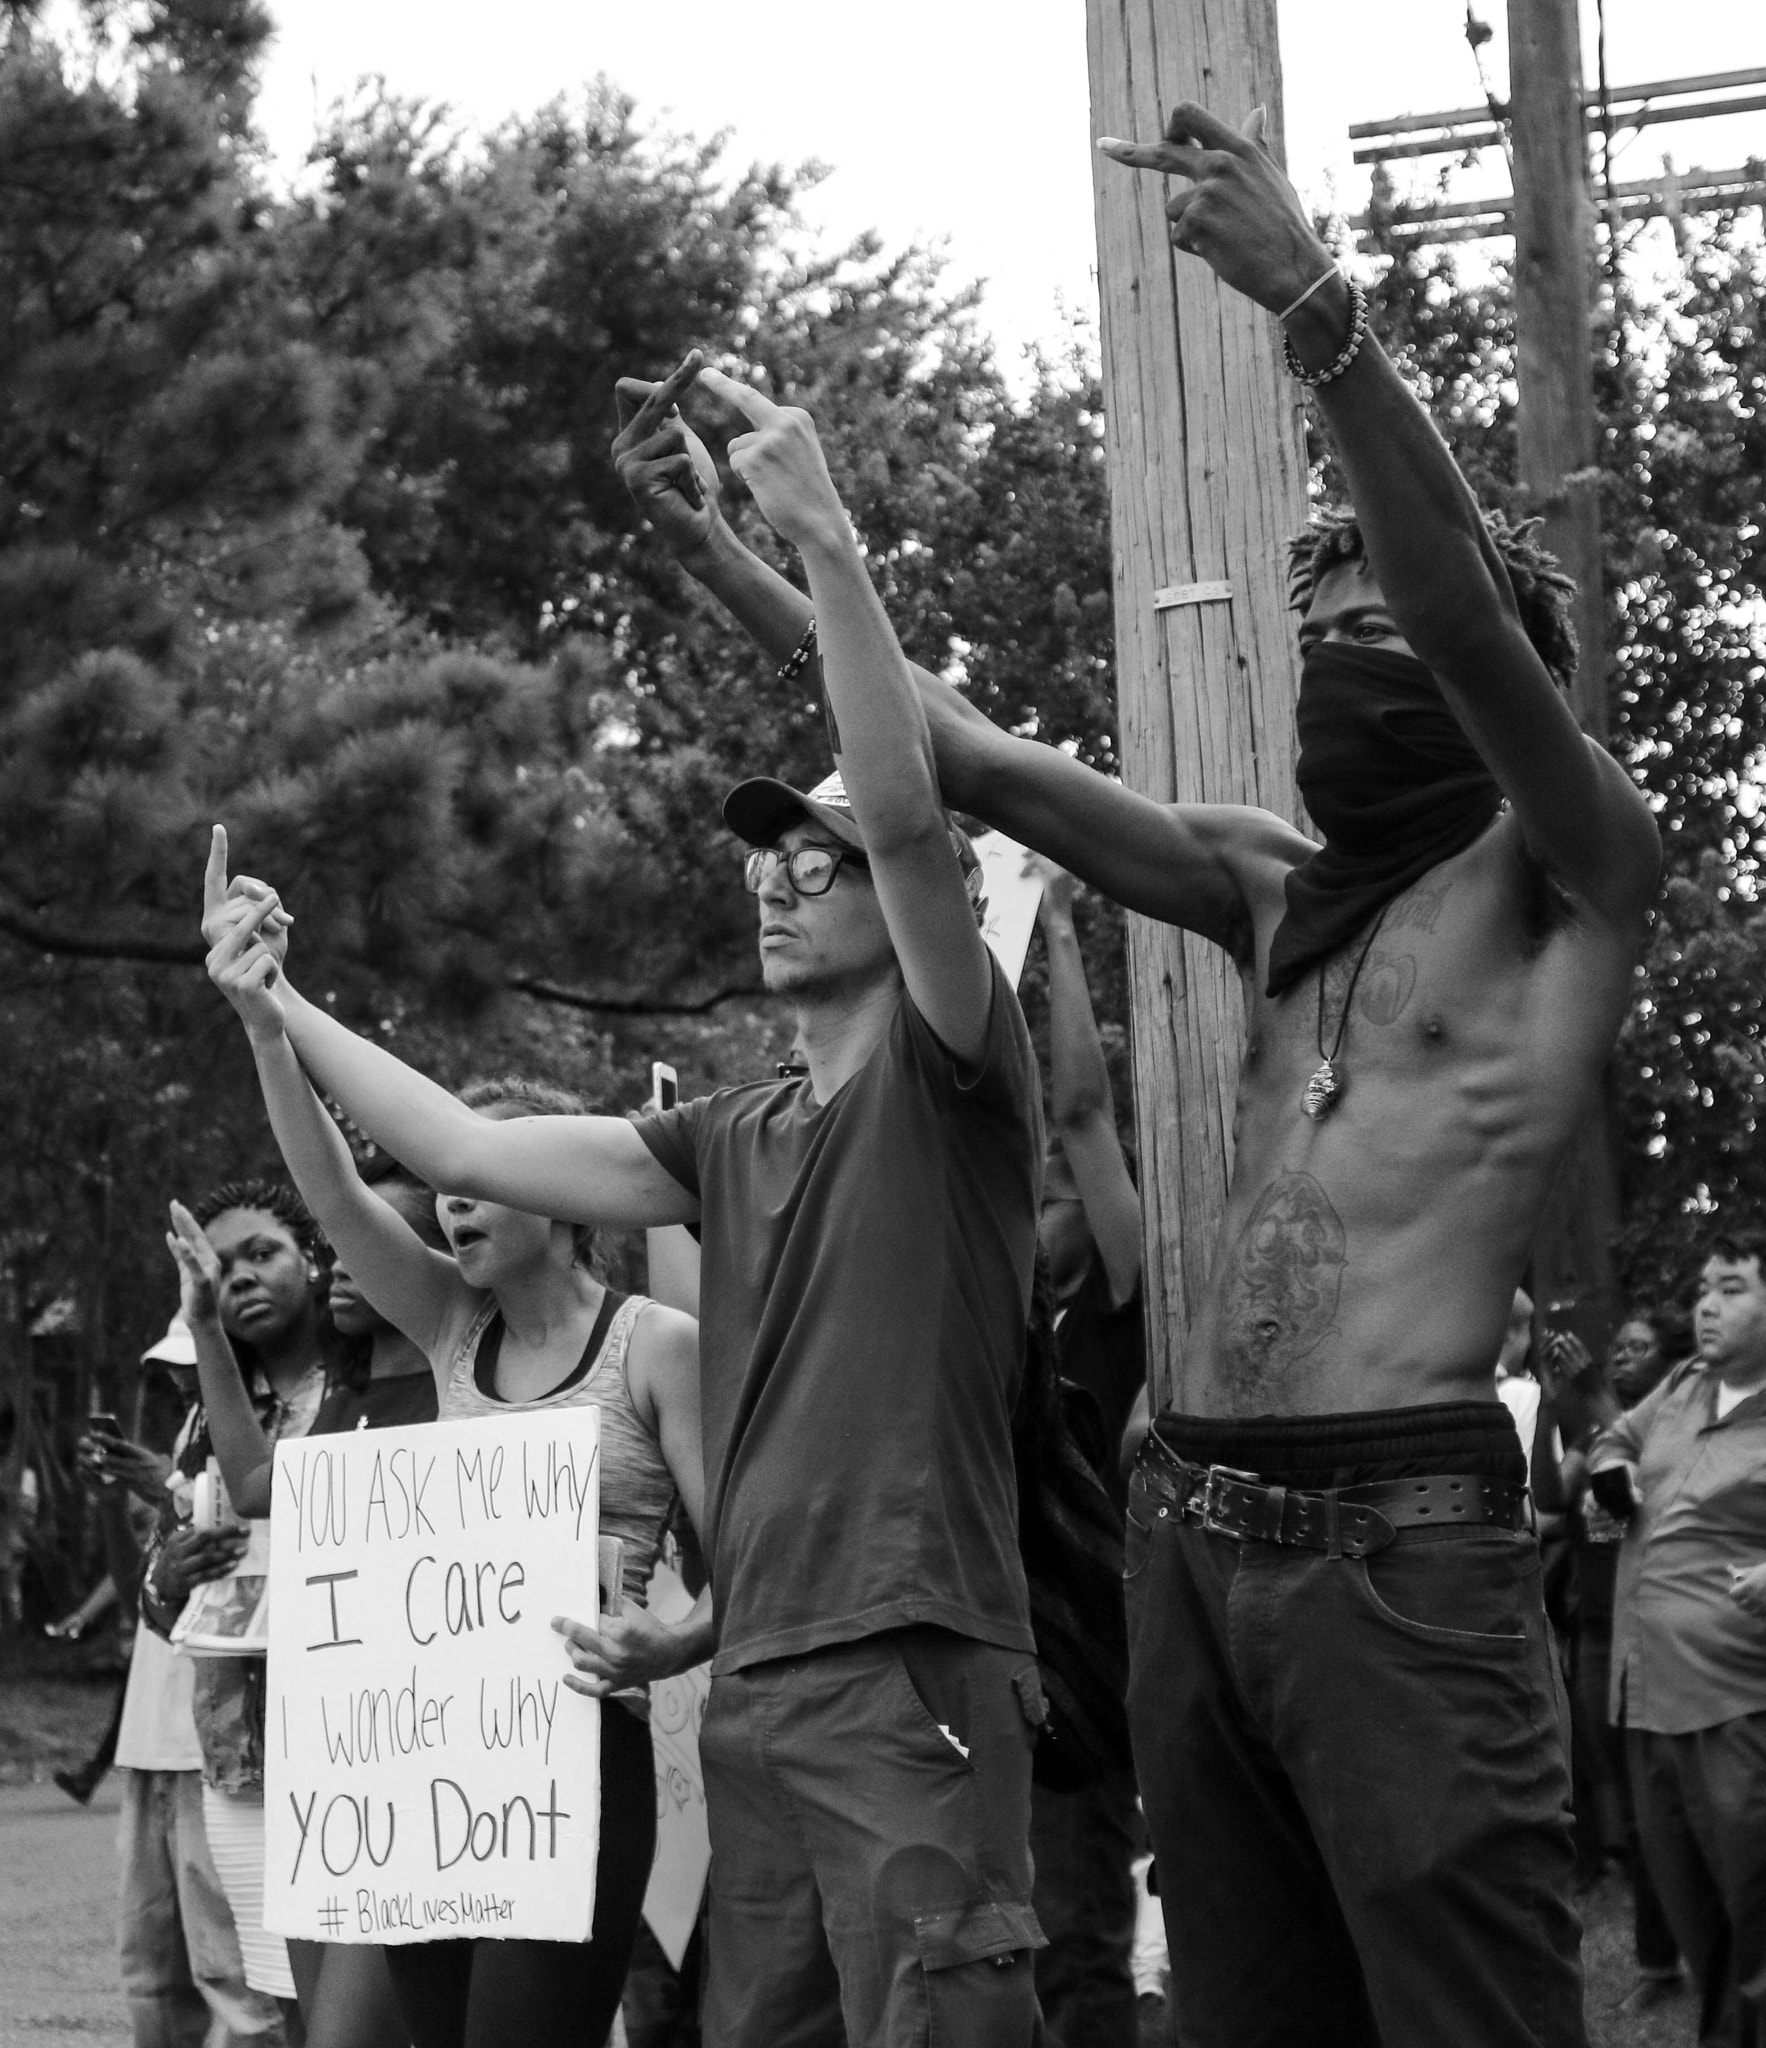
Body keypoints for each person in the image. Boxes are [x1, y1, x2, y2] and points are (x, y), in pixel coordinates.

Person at [615, 103, 1662, 2048]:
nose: (1339, 666)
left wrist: (1315, 311)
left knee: (1467, 2011)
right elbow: (970, 761)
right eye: (1315, 639)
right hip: (1198, 1532)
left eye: (1375, 641)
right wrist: (753, 566)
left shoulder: (1565, 881)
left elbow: (1452, 604)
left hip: (1401, 1546)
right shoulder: (1269, 891)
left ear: (1497, 681)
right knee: (1249, 2019)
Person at [199, 357, 1049, 2046]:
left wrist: (825, 545)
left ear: (920, 898)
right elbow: (456, 1149)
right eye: (761, 862)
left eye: (816, 863)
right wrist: (273, 1001)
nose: (779, 880)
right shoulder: (728, 1130)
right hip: (763, 1679)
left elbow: (901, 804)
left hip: (911, 1649)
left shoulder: (952, 1063)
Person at [173, 1043, 707, 2048]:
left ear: (557, 1198)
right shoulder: (448, 1324)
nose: (451, 1203)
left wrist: (672, 1642)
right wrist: (258, 1017)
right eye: (445, 1190)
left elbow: (748, 1565)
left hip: (578, 1758)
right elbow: (329, 1192)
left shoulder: (656, 1344)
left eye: (476, 1182)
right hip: (422, 1769)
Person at [142, 1180, 334, 2041]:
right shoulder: (201, 1421)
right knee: (276, 2000)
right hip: (241, 1758)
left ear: (316, 1260)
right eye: (222, 1267)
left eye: (264, 1253)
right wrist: (173, 1576)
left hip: (357, 1739)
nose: (243, 1278)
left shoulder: (379, 1382)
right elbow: (158, 1601)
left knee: (364, 1999)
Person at [1573, 1233, 1766, 2046]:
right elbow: (1616, 1439)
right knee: (1697, 1923)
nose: (1708, 1306)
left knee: (1758, 1916)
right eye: (1703, 1291)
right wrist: (1611, 1483)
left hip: (1734, 1701)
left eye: (1732, 1288)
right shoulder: (1684, 1385)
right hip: (1645, 1694)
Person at [92, 1313, 288, 2048]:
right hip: (151, 1742)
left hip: (219, 1746)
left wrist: (167, 1495)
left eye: (194, 1363)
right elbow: (144, 1600)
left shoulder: (263, 1442)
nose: (181, 1378)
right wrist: (127, 1498)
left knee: (239, 1982)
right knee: (150, 1980)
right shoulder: (186, 1445)